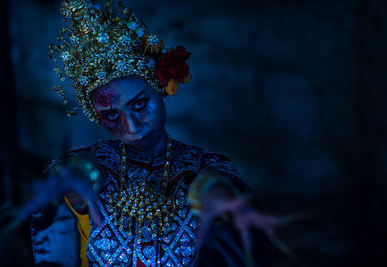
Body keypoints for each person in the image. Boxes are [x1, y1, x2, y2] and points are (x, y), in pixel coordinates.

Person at [31, 1, 274, 266]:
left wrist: (216, 194)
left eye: (139, 105)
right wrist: (79, 176)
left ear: (160, 89)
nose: (132, 128)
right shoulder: (94, 167)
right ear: (96, 117)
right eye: (112, 115)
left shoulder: (202, 166)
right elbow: (84, 169)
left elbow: (212, 183)